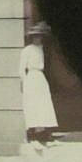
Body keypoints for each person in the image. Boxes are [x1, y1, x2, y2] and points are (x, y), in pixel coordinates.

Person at [19, 20, 58, 148]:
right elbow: (21, 69)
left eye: (39, 36)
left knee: (44, 105)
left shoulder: (41, 49)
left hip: (40, 78)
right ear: (31, 38)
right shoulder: (27, 50)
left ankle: (45, 135)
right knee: (33, 106)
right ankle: (34, 137)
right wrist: (25, 83)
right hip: (31, 79)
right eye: (35, 36)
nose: (38, 38)